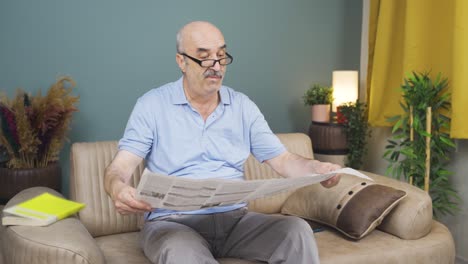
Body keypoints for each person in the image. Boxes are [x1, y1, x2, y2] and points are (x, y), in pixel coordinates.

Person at [104, 21, 341, 264]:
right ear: (181, 61)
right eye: (204, 58)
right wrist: (118, 188)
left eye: (221, 56)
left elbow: (283, 160)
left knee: (296, 231)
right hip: (173, 223)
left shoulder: (242, 106)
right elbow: (120, 167)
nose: (216, 66)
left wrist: (317, 169)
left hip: (235, 220)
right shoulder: (152, 105)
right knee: (181, 253)